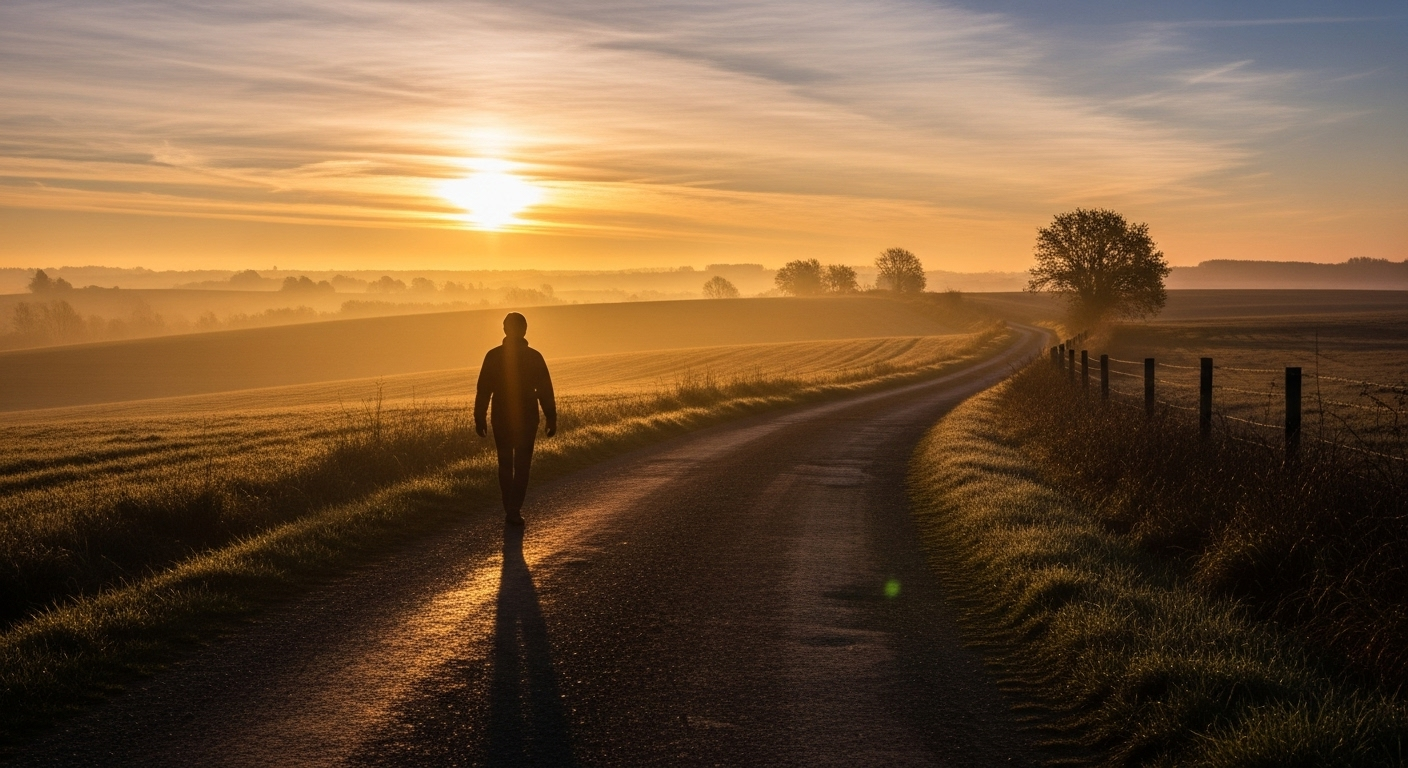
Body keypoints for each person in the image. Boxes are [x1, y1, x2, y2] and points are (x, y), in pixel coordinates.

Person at [476, 312, 556, 525]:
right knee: (522, 465)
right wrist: (551, 418)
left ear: (504, 329)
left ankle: (509, 508)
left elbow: (483, 390)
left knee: (504, 463)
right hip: (528, 416)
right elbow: (546, 390)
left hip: (500, 415)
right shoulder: (534, 356)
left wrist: (479, 417)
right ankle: (514, 509)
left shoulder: (493, 356)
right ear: (525, 330)